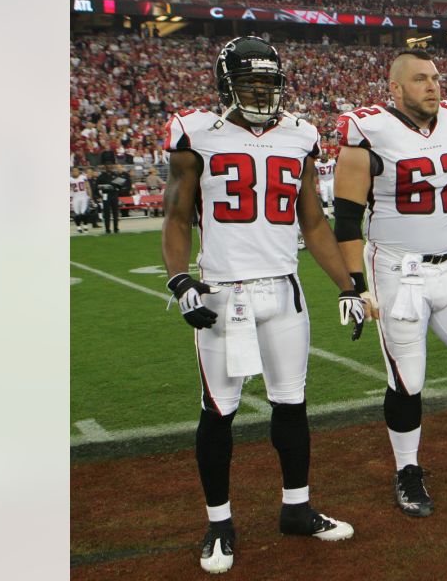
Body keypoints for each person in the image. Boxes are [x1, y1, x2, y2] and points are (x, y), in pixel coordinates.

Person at [161, 36, 365, 574]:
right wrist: (180, 279)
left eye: (268, 82)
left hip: (283, 290)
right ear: (225, 82)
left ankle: (296, 508)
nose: (260, 91)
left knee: (292, 404)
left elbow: (314, 222)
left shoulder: (301, 134)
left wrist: (349, 284)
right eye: (249, 81)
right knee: (218, 412)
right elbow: (178, 217)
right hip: (222, 294)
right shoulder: (195, 131)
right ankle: (219, 521)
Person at [333, 49, 447, 520]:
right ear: (395, 89)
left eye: (435, 78)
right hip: (396, 268)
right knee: (408, 378)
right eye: (420, 79)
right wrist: (355, 284)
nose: (433, 86)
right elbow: (348, 218)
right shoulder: (367, 130)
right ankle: (407, 469)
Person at [95, 163, 129, 233]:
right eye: (108, 166)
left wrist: (118, 190)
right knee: (107, 213)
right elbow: (96, 187)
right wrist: (99, 196)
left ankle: (116, 228)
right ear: (105, 168)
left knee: (115, 213)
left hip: (114, 195)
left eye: (110, 167)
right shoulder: (101, 176)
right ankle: (107, 229)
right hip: (106, 195)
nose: (109, 168)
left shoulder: (116, 175)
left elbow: (121, 185)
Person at [70, 166, 92, 234]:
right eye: (73, 171)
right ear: (71, 172)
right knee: (77, 214)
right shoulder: (69, 179)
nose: (75, 172)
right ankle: (78, 227)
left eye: (76, 171)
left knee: (83, 213)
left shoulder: (83, 177)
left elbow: (88, 186)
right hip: (75, 197)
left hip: (83, 197)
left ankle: (85, 227)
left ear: (78, 171)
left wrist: (90, 196)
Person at [315, 151, 336, 217]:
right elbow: (315, 174)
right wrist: (316, 183)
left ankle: (335, 211)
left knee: (333, 197)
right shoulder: (317, 163)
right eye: (322, 154)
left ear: (327, 155)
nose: (323, 156)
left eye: (325, 154)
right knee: (324, 198)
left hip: (331, 180)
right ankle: (326, 214)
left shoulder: (332, 161)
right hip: (322, 181)